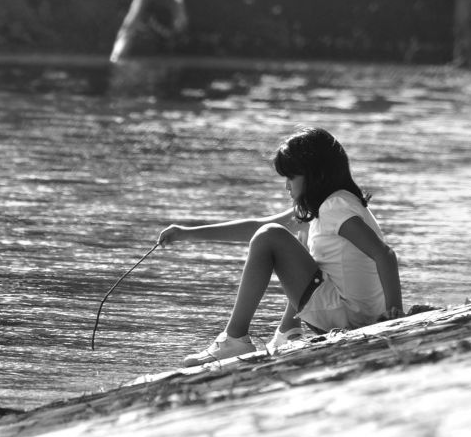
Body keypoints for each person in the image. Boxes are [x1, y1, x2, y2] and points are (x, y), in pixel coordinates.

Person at [158, 127, 404, 367]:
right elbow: (255, 226)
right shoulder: (332, 204)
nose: (287, 185)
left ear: (315, 174)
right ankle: (288, 331)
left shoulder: (335, 208)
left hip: (349, 316)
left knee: (272, 236)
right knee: (293, 234)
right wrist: (187, 234)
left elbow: (385, 255)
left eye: (291, 177)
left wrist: (395, 317)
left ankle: (235, 339)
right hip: (351, 313)